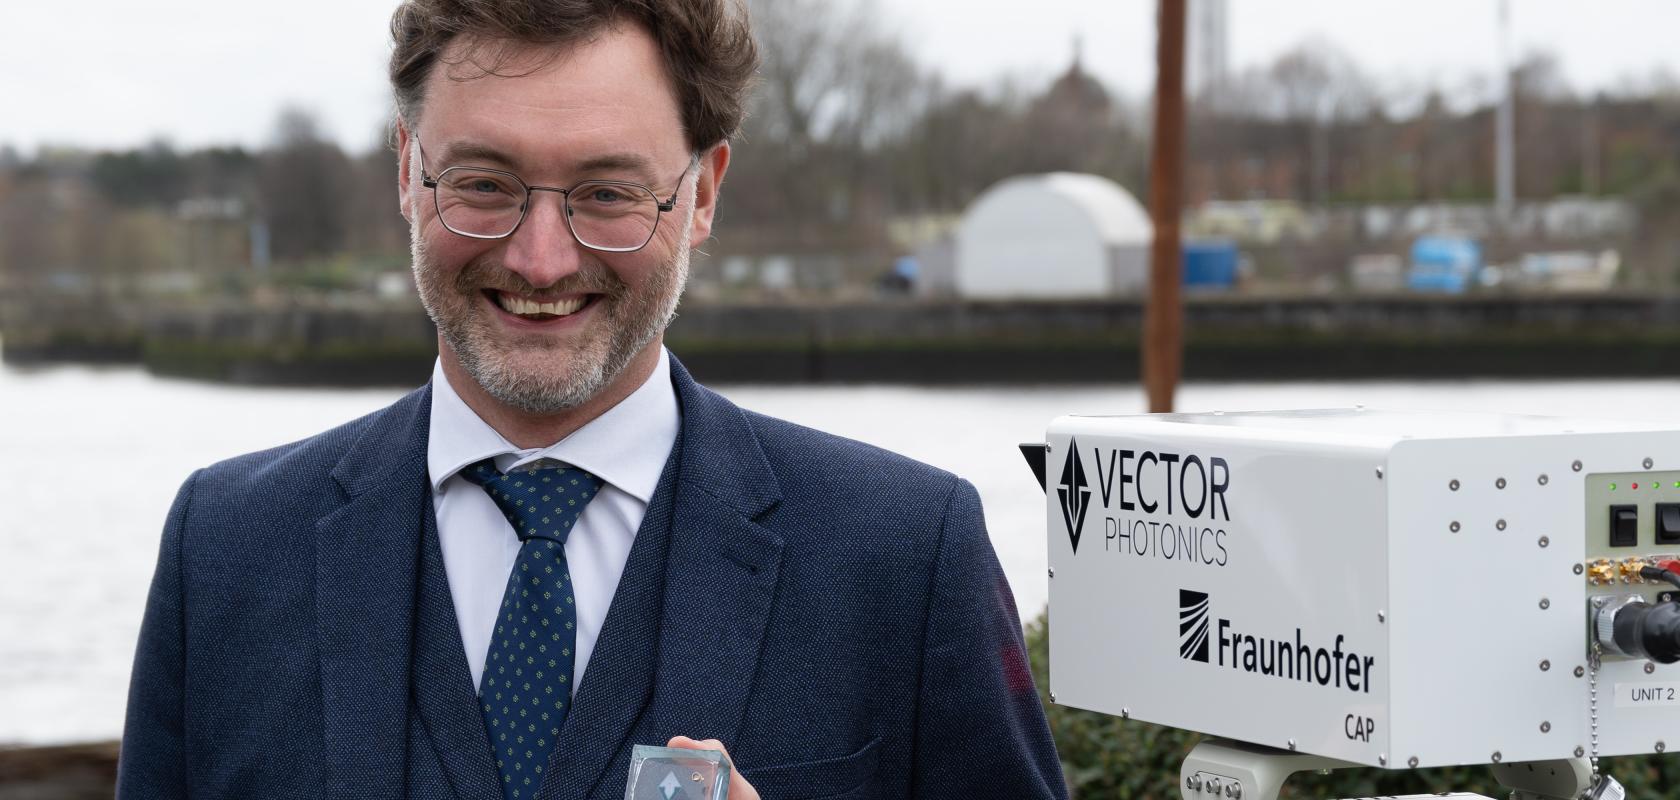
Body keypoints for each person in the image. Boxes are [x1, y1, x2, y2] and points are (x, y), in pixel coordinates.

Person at [117, 0, 1068, 798]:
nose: (541, 259)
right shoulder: (226, 548)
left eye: (608, 193)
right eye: (483, 183)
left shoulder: (904, 556)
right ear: (408, 169)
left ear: (702, 194)